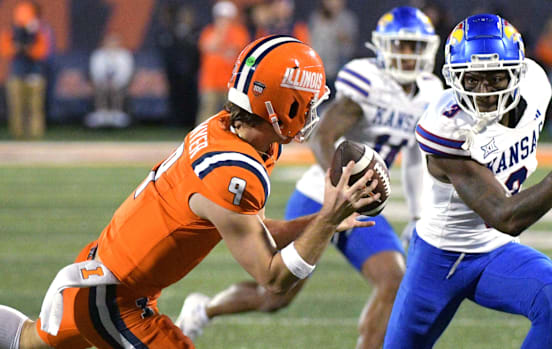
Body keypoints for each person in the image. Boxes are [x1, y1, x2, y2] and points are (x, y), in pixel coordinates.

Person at [0, 35, 379, 349]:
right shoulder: (234, 172)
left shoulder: (231, 131)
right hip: (115, 298)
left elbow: (254, 232)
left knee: (26, 341)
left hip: (106, 272)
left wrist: (320, 222)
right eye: (308, 101)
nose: (314, 110)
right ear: (285, 104)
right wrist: (328, 219)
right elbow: (274, 278)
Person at [175, 7, 444, 349]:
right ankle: (204, 308)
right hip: (320, 196)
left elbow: (416, 157)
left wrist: (419, 213)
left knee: (393, 280)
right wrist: (340, 190)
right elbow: (324, 137)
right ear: (383, 46)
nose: (407, 55)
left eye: (415, 47)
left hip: (356, 202)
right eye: (401, 45)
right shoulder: (369, 81)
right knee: (275, 295)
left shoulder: (431, 91)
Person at [383, 14, 552, 349]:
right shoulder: (445, 127)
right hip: (439, 259)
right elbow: (506, 216)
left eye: (493, 79)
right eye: (470, 80)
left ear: (515, 73)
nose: (482, 92)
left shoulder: (535, 86)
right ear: (453, 78)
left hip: (494, 253)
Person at [0, 0, 52, 139]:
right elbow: (5, 51)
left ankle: (35, 135)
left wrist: (29, 43)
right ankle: (18, 135)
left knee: (35, 107)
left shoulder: (40, 31)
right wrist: (17, 47)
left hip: (35, 73)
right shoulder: (11, 31)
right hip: (16, 73)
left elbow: (41, 52)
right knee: (16, 107)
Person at [196, 1, 250, 125]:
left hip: (231, 82)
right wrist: (221, 35)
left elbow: (234, 52)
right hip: (210, 81)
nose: (223, 21)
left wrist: (222, 46)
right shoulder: (209, 31)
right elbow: (208, 46)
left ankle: (233, 139)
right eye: (220, 17)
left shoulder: (239, 32)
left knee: (234, 113)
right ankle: (202, 139)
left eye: (226, 18)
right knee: (206, 113)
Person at [85, 33, 135, 129]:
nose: (111, 44)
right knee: (100, 89)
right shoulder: (98, 55)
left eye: (114, 42)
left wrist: (117, 82)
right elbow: (95, 71)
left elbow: (126, 72)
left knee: (116, 90)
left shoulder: (125, 55)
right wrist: (103, 82)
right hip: (101, 83)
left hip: (120, 84)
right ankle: (101, 113)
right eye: (109, 42)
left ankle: (117, 113)